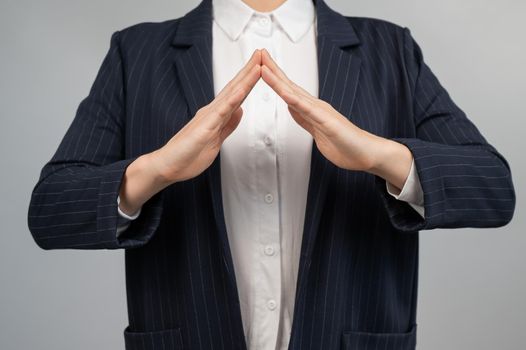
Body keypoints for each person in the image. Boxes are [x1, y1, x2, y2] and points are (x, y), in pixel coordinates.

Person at [27, 0, 515, 349]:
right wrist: (157, 170)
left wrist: (377, 155)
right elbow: (51, 211)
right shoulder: (137, 52)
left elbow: (492, 189)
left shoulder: (389, 48)